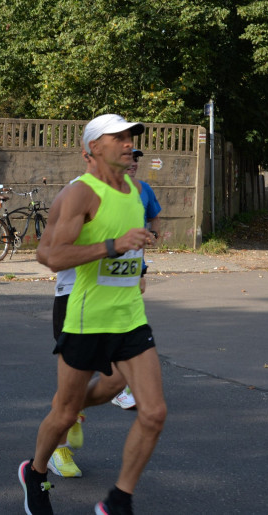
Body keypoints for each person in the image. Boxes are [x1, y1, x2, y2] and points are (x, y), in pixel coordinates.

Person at [19, 114, 163, 515]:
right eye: (117, 137)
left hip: (129, 316)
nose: (127, 142)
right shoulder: (79, 194)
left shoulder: (137, 189)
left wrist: (138, 260)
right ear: (93, 147)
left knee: (152, 413)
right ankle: (35, 470)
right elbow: (48, 255)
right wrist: (112, 245)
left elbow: (132, 245)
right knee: (65, 411)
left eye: (130, 136)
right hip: (84, 316)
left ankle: (118, 501)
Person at [111, 149, 162, 411]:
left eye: (136, 160)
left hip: (133, 270)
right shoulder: (104, 192)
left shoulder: (144, 190)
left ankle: (126, 386)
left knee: (129, 328)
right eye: (129, 159)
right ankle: (119, 385)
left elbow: (154, 218)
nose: (133, 163)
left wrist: (153, 234)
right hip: (103, 276)